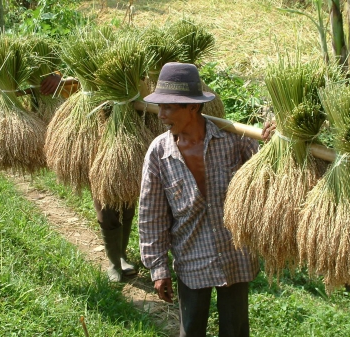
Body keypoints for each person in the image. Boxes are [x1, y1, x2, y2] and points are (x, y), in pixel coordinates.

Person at [138, 62, 274, 337]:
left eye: (168, 107)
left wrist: (274, 144)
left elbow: (267, 174)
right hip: (191, 258)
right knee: (191, 330)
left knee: (235, 331)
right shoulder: (159, 153)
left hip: (235, 254)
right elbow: (151, 214)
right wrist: (158, 268)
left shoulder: (234, 140)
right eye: (160, 106)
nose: (161, 115)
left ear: (192, 106)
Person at [40, 73, 137, 282]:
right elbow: (71, 76)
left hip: (124, 126)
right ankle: (113, 261)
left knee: (126, 198)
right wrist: (61, 80)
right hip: (93, 130)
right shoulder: (84, 64)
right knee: (105, 203)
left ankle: (121, 255)